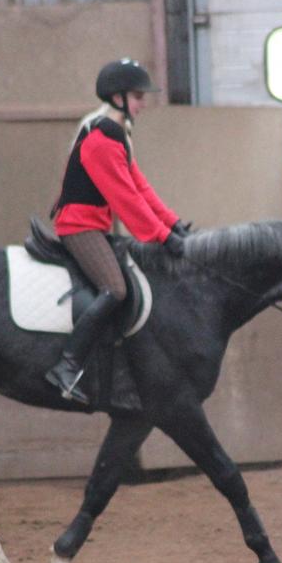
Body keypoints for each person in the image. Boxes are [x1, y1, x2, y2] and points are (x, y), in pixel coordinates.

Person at [45, 58, 189, 403]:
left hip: (94, 224)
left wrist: (172, 223)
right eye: (138, 96)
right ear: (118, 97)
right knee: (116, 289)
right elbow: (124, 199)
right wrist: (160, 236)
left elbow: (139, 185)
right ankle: (67, 365)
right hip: (78, 226)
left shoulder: (117, 132)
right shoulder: (101, 136)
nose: (143, 103)